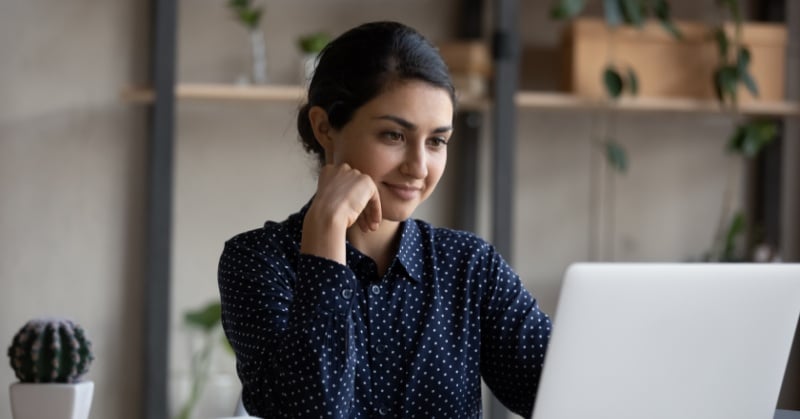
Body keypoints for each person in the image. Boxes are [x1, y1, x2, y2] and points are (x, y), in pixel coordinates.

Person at [218, 21, 552, 419]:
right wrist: (325, 234)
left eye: (436, 142)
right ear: (324, 127)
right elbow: (312, 411)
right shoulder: (258, 262)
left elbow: (574, 396)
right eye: (394, 136)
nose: (418, 167)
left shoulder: (469, 267)